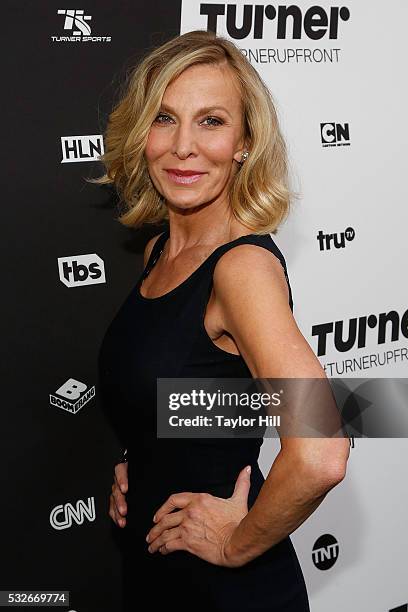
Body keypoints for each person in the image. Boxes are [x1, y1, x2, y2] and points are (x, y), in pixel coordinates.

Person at [96, 30, 350, 611]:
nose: (183, 146)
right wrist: (146, 460)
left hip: (226, 593)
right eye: (164, 118)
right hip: (157, 568)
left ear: (245, 142)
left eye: (211, 121)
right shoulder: (159, 249)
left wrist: (238, 544)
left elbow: (320, 450)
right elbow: (192, 389)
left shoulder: (242, 268)